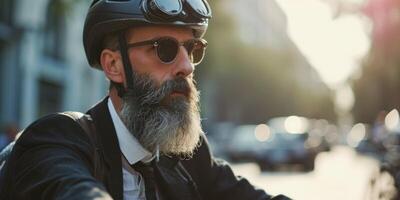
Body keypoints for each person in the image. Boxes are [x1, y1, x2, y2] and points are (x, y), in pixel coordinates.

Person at [0, 0, 291, 199]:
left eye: (191, 50)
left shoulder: (186, 154)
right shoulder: (56, 140)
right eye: (164, 49)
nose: (187, 66)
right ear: (114, 66)